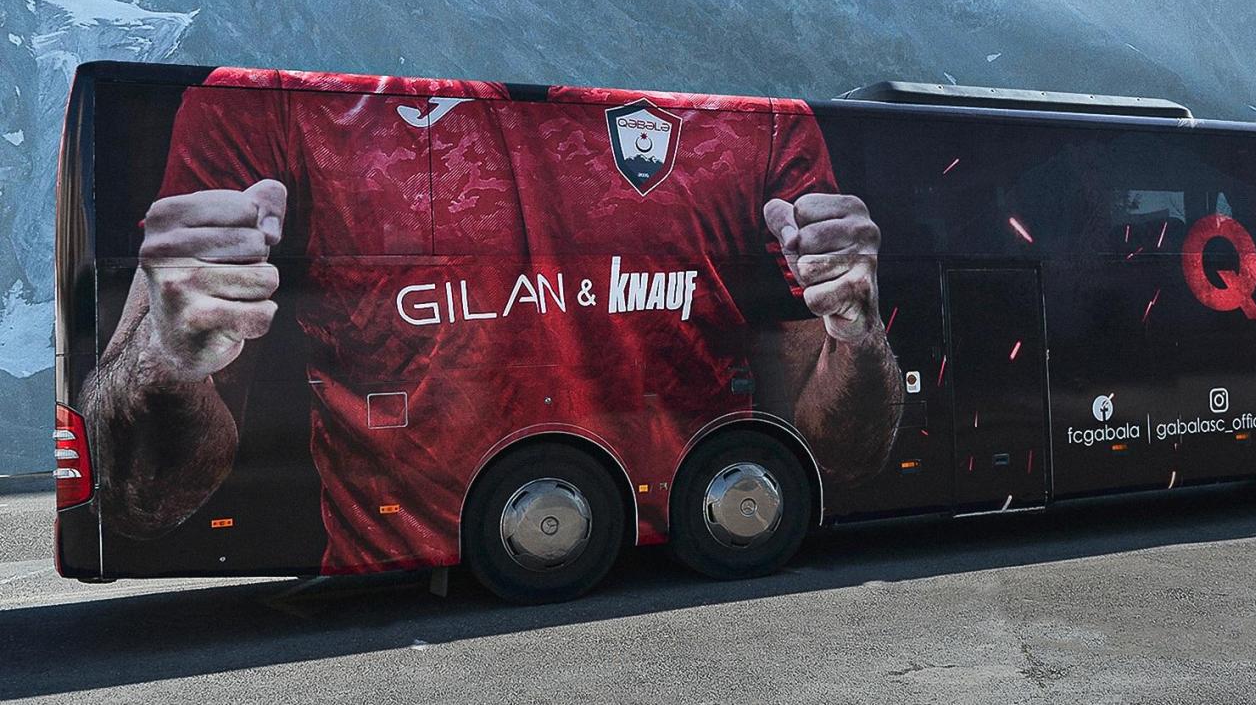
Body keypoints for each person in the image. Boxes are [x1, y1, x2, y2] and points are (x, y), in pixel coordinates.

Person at [82, 68, 902, 571]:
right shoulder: (259, 113)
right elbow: (144, 499)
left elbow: (843, 451)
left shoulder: (766, 135)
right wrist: (164, 356)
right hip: (424, 541)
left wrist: (856, 333)